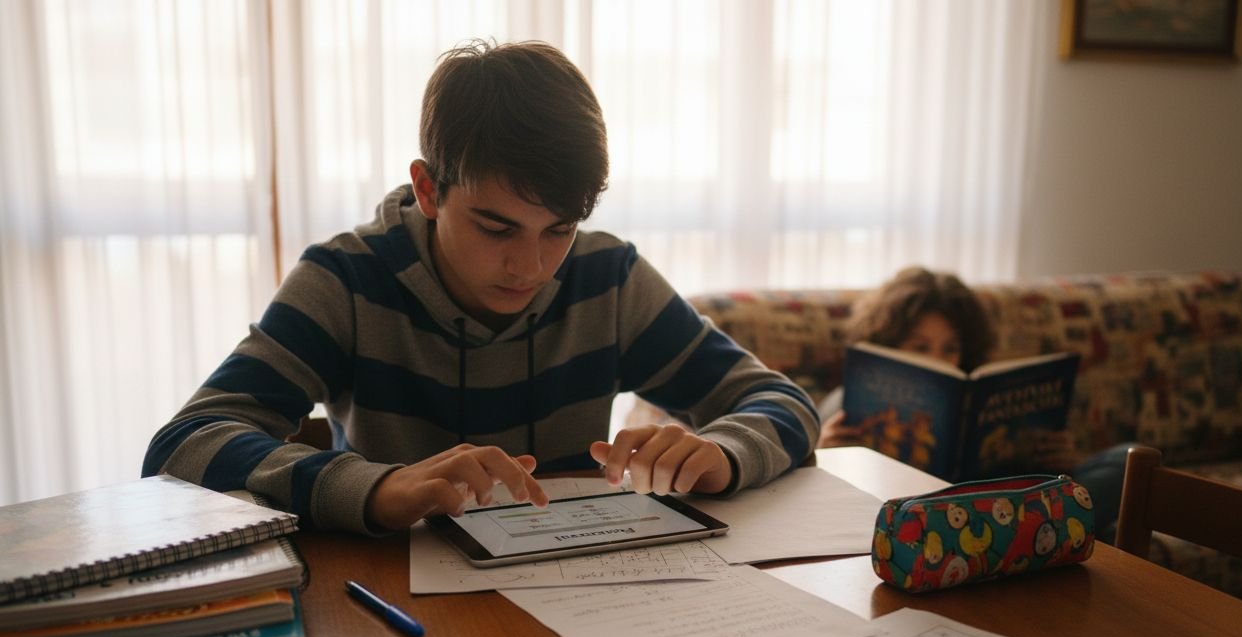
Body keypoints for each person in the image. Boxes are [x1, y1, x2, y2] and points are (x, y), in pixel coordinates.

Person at [142, 40, 818, 535]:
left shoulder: (607, 277)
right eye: (497, 228)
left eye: (559, 229)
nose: (531, 266)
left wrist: (722, 453)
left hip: (579, 594)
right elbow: (182, 444)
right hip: (394, 606)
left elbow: (780, 402)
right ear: (429, 188)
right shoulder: (347, 280)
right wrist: (375, 489)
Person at [817, 267, 1129, 540]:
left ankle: (1024, 534)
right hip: (915, 520)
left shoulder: (973, 401)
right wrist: (824, 455)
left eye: (950, 348)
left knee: (1126, 462)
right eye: (920, 346)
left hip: (1001, 506)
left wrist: (1060, 463)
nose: (937, 360)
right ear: (886, 344)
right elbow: (812, 490)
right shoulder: (848, 401)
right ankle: (1034, 536)